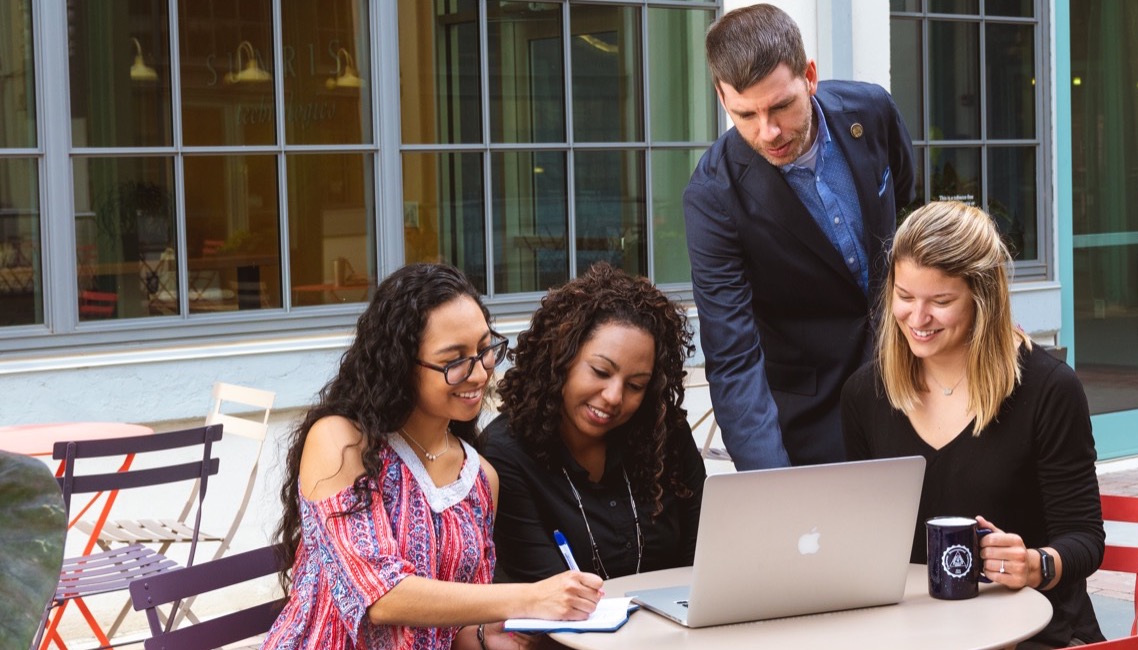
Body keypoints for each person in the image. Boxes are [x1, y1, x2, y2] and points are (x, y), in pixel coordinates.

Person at [264, 263, 602, 650]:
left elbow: (448, 628)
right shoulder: (342, 442)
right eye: (454, 360)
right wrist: (532, 597)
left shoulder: (479, 478)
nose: (477, 374)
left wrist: (482, 635)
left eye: (484, 350)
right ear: (400, 364)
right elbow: (381, 596)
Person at [841, 202, 1107, 648]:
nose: (917, 318)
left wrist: (1036, 563)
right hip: (914, 634)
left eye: (940, 302)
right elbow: (863, 535)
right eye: (904, 297)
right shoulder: (865, 394)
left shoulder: (1049, 389)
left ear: (983, 298)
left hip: (1036, 632)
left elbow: (1085, 537)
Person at [683, 3, 916, 470]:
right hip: (810, 421)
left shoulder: (870, 111)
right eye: (745, 114)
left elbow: (913, 215)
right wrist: (773, 484)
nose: (768, 132)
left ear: (809, 76)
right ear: (721, 97)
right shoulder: (713, 197)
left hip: (912, 383)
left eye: (781, 106)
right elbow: (735, 360)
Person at [484, 262, 706, 583]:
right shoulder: (505, 454)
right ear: (560, 357)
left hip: (679, 627)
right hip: (571, 633)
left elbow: (704, 555)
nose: (614, 397)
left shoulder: (664, 432)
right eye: (601, 372)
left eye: (636, 386)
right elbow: (546, 591)